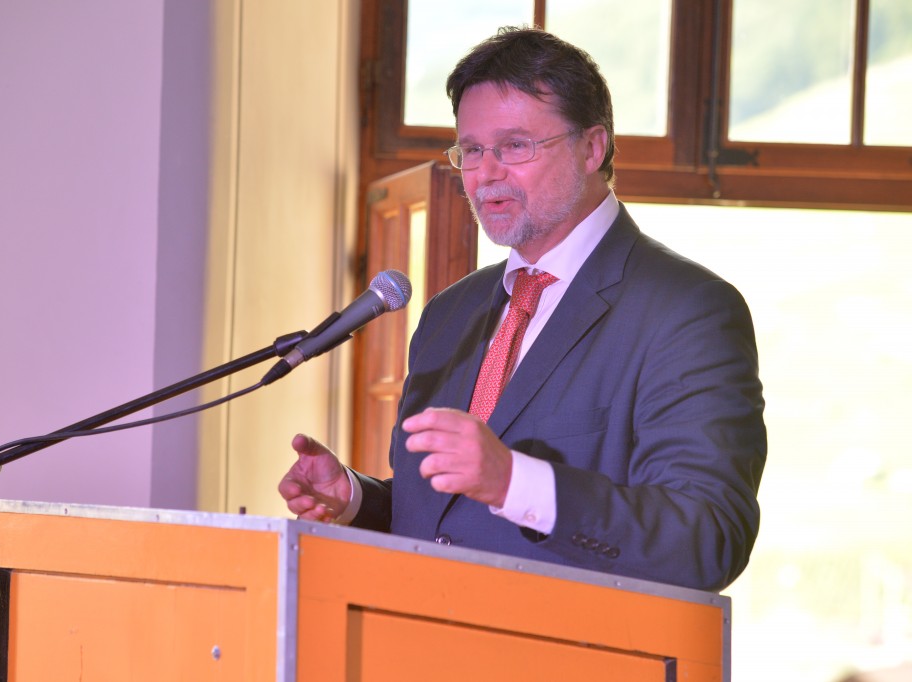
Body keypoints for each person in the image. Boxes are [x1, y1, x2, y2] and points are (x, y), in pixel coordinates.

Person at [278, 26, 766, 592]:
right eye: (472, 150)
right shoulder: (448, 315)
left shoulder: (687, 311)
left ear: (592, 147)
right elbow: (452, 525)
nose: (486, 173)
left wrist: (515, 481)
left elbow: (707, 540)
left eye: (514, 146)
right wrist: (358, 501)